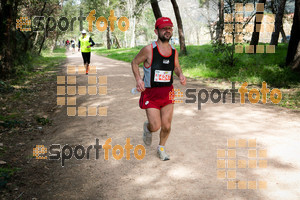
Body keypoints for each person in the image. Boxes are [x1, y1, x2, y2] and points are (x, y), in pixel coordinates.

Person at [131, 17, 186, 161]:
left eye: (169, 28)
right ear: (156, 31)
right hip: (151, 94)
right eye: (164, 28)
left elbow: (176, 66)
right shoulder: (149, 50)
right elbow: (135, 62)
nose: (167, 30)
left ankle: (161, 148)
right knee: (155, 126)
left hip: (167, 93)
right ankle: (147, 127)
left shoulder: (173, 51)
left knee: (166, 126)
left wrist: (180, 75)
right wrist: (138, 79)